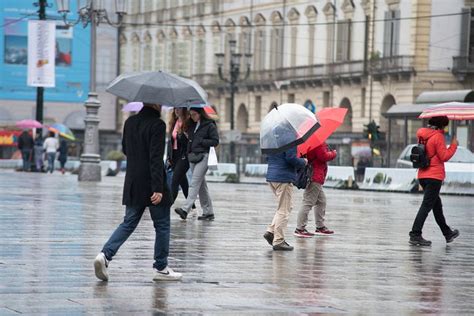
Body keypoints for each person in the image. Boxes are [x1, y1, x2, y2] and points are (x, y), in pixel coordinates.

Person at [94, 103, 182, 281]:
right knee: (162, 225)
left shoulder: (130, 122)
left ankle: (104, 255)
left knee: (128, 223)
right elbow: (156, 158)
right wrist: (158, 188)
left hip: (133, 182)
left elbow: (126, 149)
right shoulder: (158, 125)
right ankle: (161, 267)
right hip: (152, 183)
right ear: (156, 104)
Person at [409, 116, 459, 246]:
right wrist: (454, 146)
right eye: (445, 126)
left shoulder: (422, 135)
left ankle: (447, 233)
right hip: (434, 176)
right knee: (426, 205)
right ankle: (415, 234)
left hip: (423, 175)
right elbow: (444, 156)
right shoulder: (437, 136)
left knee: (436, 206)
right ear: (441, 126)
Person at [263, 123, 307, 251]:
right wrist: (303, 162)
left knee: (284, 206)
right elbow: (291, 158)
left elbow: (267, 157)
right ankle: (279, 240)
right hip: (283, 177)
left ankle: (271, 231)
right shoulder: (289, 136)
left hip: (272, 176)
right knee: (284, 210)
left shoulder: (272, 136)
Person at [174, 107, 219, 221]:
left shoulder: (209, 125)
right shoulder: (191, 125)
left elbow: (215, 141)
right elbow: (187, 140)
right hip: (192, 157)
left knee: (194, 183)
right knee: (201, 186)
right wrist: (181, 134)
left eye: (194, 114)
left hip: (203, 156)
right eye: (191, 114)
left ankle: (185, 209)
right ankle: (208, 212)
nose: (192, 116)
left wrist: (201, 141)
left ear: (200, 114)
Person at [294, 142, 337, 238]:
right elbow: (323, 156)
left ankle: (320, 227)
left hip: (316, 175)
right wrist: (333, 153)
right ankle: (300, 228)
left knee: (321, 201)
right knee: (308, 202)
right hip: (315, 176)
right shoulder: (317, 143)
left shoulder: (309, 141)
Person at [167, 108, 192, 203]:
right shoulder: (174, 122)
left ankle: (167, 206)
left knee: (175, 180)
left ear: (184, 109)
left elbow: (189, 141)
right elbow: (170, 142)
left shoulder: (188, 122)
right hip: (174, 155)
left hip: (184, 155)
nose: (176, 110)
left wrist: (183, 135)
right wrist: (169, 157)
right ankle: (192, 207)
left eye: (179, 108)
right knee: (183, 182)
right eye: (175, 108)